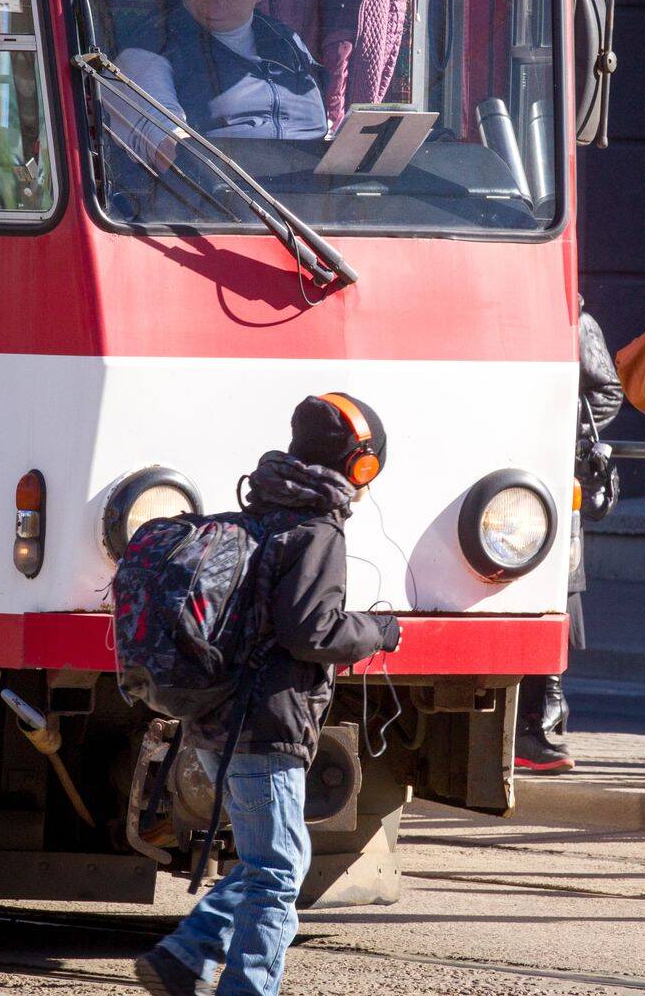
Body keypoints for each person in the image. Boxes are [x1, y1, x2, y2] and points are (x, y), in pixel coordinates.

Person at [136, 394, 401, 996]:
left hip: (217, 719)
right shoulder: (316, 531)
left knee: (274, 860)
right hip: (266, 723)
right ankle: (241, 985)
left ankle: (186, 954)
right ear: (359, 465)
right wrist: (379, 631)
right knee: (278, 872)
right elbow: (311, 630)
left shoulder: (261, 513)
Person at [116, 0, 329, 156]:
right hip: (226, 180)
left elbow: (326, 122)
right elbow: (171, 150)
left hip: (319, 177)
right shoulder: (151, 48)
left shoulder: (286, 41)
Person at [516, 300, 624, 773]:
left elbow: (607, 391)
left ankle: (540, 715)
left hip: (550, 467)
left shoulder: (572, 316)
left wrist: (561, 429)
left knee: (555, 589)